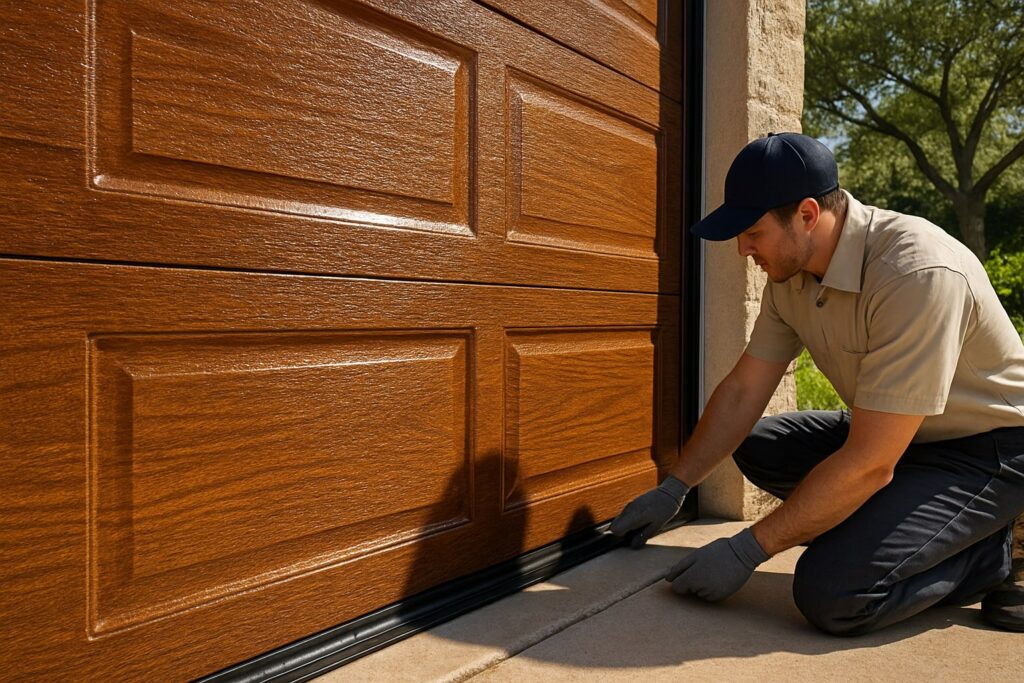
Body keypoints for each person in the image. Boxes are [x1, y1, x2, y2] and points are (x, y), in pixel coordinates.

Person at [610, 132, 1024, 635]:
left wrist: (748, 549)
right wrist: (676, 486)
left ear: (807, 214)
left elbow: (871, 463)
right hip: (900, 436)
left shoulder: (915, 272)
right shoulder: (794, 276)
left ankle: (986, 557)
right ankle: (905, 525)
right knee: (763, 446)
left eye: (752, 232)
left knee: (832, 593)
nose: (743, 248)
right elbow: (744, 389)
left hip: (987, 451)